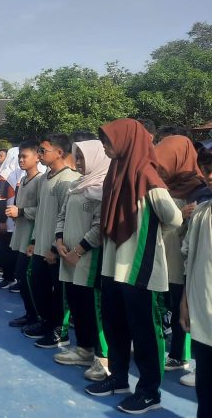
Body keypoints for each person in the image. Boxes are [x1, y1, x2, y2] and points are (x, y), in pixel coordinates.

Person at [84, 119, 182, 415]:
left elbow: (174, 218)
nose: (105, 146)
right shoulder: (115, 173)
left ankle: (149, 392)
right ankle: (118, 379)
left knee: (144, 332)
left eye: (108, 141)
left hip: (139, 268)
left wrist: (150, 238)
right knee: (115, 325)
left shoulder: (146, 174)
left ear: (126, 140)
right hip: (112, 266)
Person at [53, 140, 111, 381]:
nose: (77, 162)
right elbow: (62, 215)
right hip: (68, 256)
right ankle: (84, 349)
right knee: (77, 304)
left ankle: (104, 359)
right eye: (76, 157)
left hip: (87, 258)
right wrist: (59, 241)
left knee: (93, 307)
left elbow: (100, 226)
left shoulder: (103, 188)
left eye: (82, 158)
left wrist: (78, 250)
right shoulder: (76, 185)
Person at [154, 135, 212, 375]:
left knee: (184, 308)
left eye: (164, 163)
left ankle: (181, 354)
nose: (161, 170)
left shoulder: (200, 191)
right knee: (175, 305)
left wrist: (184, 215)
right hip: (167, 255)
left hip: (186, 261)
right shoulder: (164, 187)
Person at [28, 134, 81, 349]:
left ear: (59, 153)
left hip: (56, 249)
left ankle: (61, 331)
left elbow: (64, 217)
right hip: (40, 245)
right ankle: (47, 323)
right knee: (38, 286)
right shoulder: (44, 178)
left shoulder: (68, 180)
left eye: (43, 151)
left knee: (59, 293)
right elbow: (41, 211)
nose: (40, 154)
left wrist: (53, 247)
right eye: (39, 150)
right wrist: (33, 240)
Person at [180, 146, 212, 417]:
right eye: (208, 170)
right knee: (206, 385)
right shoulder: (201, 213)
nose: (210, 176)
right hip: (203, 313)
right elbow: (189, 260)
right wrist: (185, 301)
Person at [5, 141, 45, 328]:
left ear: (37, 157)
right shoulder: (24, 180)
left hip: (32, 237)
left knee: (28, 278)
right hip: (21, 235)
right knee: (21, 276)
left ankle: (38, 316)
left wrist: (20, 212)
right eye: (19, 156)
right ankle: (30, 313)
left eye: (25, 156)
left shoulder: (40, 181)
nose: (21, 160)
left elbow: (43, 210)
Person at [0, 147, 21, 289]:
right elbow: (0, 199)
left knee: (11, 251)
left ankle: (12, 277)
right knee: (7, 250)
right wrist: (2, 220)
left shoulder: (17, 174)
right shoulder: (6, 174)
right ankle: (9, 277)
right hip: (7, 220)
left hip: (13, 220)